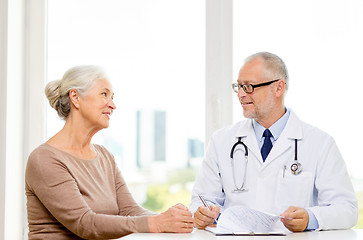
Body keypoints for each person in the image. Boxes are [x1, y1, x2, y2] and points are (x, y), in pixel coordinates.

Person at [190, 52, 358, 232]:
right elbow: (200, 201)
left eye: (248, 87)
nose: (240, 94)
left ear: (278, 88)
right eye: (238, 86)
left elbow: (346, 209)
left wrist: (311, 218)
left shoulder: (320, 143)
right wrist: (202, 213)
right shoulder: (221, 141)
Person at [25, 65, 194, 239]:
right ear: (75, 97)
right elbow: (84, 223)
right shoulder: (45, 159)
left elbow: (129, 210)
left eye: (112, 97)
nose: (112, 105)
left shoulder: (104, 156)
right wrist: (157, 223)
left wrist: (179, 222)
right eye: (104, 94)